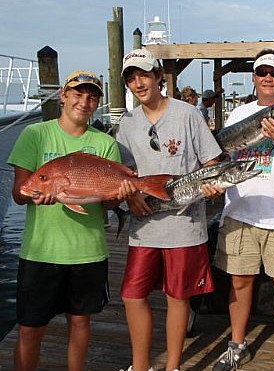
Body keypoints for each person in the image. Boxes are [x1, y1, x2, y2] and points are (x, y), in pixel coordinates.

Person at [7, 70, 123, 371]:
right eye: (77, 93)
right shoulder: (35, 134)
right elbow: (20, 192)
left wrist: (122, 194)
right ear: (63, 95)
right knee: (30, 327)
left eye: (92, 96)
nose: (84, 102)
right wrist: (35, 194)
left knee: (80, 322)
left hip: (88, 251)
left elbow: (107, 204)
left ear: (97, 103)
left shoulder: (105, 144)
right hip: (40, 252)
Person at [116, 48, 224, 371]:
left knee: (179, 297)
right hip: (144, 224)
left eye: (144, 74)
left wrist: (213, 186)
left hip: (184, 226)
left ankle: (173, 366)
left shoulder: (188, 114)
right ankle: (140, 366)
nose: (138, 83)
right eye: (131, 78)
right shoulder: (126, 123)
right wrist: (128, 198)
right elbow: (123, 174)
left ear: (158, 76)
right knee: (132, 295)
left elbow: (213, 163)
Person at [212, 49, 274, 371]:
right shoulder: (238, 113)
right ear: (255, 78)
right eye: (262, 72)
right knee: (239, 282)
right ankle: (236, 344)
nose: (268, 78)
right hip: (240, 211)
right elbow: (220, 157)